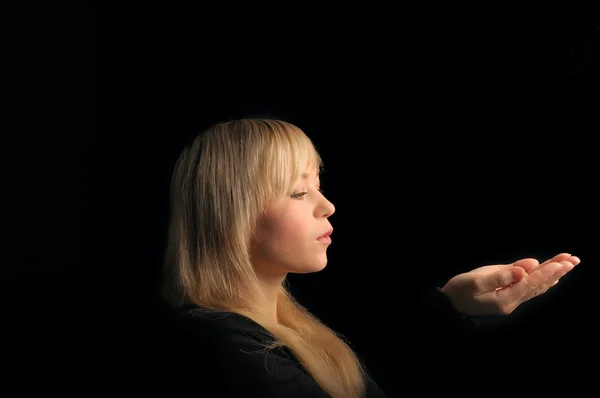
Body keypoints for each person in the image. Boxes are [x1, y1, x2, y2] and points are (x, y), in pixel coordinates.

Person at [157, 118, 580, 398]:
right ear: (232, 216)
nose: (326, 206)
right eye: (299, 192)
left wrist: (452, 305)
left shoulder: (282, 326)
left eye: (318, 186)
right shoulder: (222, 346)